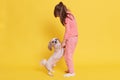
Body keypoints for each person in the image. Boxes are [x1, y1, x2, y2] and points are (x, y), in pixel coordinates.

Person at [54, 2, 78, 77]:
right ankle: (70, 69)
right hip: (74, 37)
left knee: (68, 55)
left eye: (57, 15)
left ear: (59, 12)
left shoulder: (66, 18)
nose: (58, 17)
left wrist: (64, 41)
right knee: (67, 54)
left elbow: (68, 31)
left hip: (71, 38)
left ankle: (72, 72)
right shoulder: (69, 14)